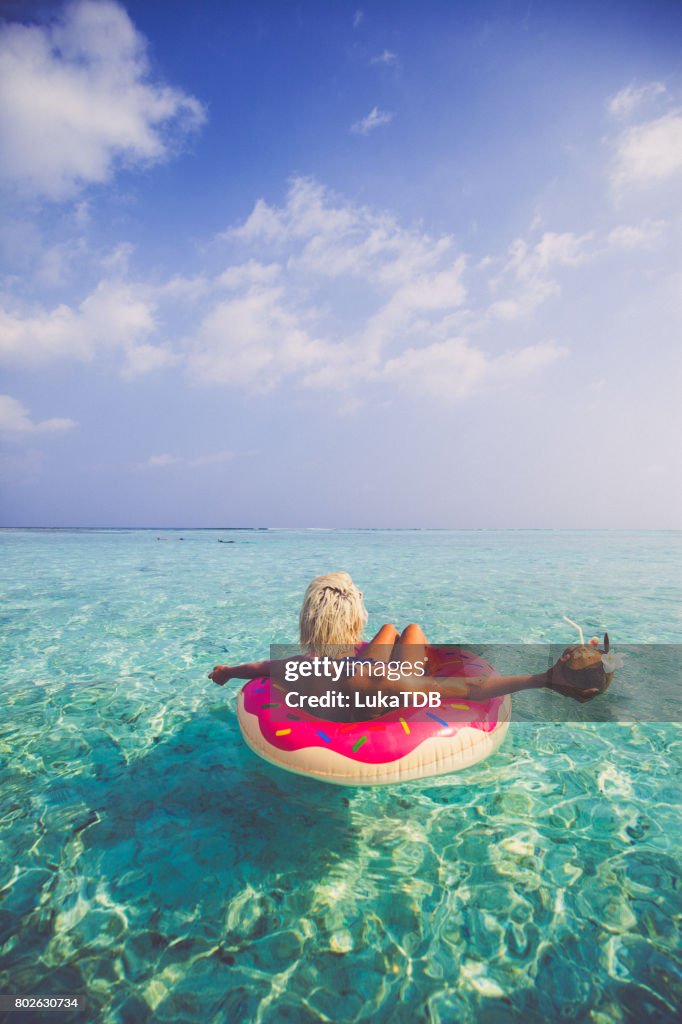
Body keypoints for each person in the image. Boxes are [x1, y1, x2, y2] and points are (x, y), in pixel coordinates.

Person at [209, 571, 608, 718]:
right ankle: (393, 638)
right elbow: (467, 689)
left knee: (390, 633)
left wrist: (227, 672)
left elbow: (260, 668)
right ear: (353, 620)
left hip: (355, 677)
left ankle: (380, 638)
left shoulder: (295, 667)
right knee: (410, 631)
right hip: (388, 686)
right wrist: (544, 679)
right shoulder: (375, 682)